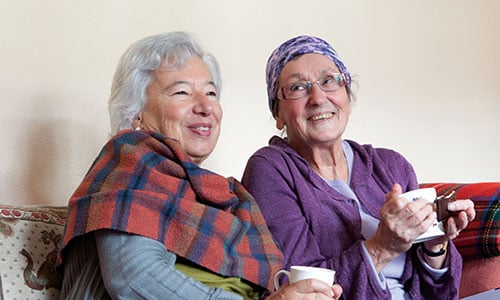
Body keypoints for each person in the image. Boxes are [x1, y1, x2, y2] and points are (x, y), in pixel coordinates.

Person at [57, 32, 343, 300]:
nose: (205, 107)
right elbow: (133, 279)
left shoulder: (223, 195)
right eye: (182, 93)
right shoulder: (130, 159)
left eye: (210, 93)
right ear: (137, 114)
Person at [241, 35, 476, 300]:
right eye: (297, 88)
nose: (318, 98)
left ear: (347, 99)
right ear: (278, 114)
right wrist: (381, 248)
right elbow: (303, 289)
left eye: (329, 81)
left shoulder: (391, 166)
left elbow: (443, 295)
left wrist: (435, 245)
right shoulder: (271, 170)